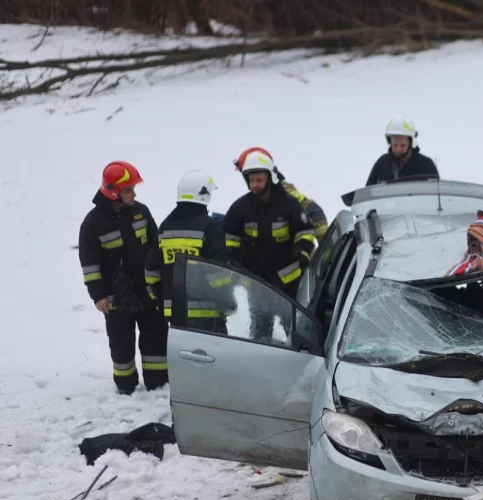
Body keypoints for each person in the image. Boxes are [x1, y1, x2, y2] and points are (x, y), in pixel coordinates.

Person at [78, 161, 168, 395]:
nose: (134, 193)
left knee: (155, 338)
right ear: (114, 192)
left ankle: (157, 383)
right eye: (129, 189)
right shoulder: (92, 224)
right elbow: (90, 264)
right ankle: (126, 388)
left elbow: (155, 247)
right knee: (121, 344)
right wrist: (97, 296)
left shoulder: (141, 212)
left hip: (146, 292)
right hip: (115, 297)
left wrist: (159, 283)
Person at [222, 147, 318, 339]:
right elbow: (228, 242)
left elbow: (306, 235)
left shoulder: (289, 205)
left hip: (288, 285)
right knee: (260, 335)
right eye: (251, 180)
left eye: (259, 180)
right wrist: (239, 269)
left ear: (270, 179)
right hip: (257, 284)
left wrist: (300, 259)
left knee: (296, 334)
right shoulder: (240, 208)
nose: (255, 185)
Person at [144, 170, 233, 334]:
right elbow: (220, 275)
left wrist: (162, 300)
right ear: (204, 194)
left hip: (175, 314)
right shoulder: (210, 227)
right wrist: (228, 302)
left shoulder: (165, 227)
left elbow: (151, 273)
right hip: (208, 315)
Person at [232, 146, 328, 241]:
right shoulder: (259, 198)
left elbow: (313, 210)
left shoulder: (282, 192)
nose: (252, 181)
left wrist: (326, 247)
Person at [366, 115, 439, 185]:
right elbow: (368, 194)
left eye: (402, 145)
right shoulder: (382, 164)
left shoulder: (426, 166)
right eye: (395, 145)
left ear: (411, 143)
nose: (398, 150)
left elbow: (436, 194)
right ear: (389, 142)